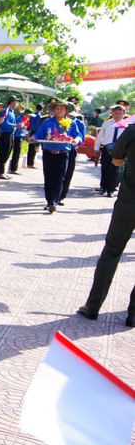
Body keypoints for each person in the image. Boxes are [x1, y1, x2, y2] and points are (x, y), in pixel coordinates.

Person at [77, 123, 135, 327]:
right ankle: (133, 314)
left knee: (112, 251)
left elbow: (116, 160)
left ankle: (93, 307)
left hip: (129, 203)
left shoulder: (132, 130)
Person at [30, 99, 83, 213]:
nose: (59, 111)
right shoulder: (47, 122)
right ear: (53, 110)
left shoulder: (71, 123)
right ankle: (49, 202)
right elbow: (39, 133)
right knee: (48, 178)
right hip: (48, 153)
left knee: (59, 179)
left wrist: (75, 140)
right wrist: (34, 137)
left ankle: (54, 202)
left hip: (63, 154)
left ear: (66, 111)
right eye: (57, 108)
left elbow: (78, 136)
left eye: (62, 109)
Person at [93, 104, 126, 197]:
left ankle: (110, 190)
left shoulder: (126, 125)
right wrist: (96, 148)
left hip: (119, 150)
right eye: (116, 113)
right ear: (112, 113)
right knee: (105, 168)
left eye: (120, 114)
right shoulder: (106, 123)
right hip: (107, 148)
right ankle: (103, 186)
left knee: (116, 170)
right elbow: (100, 136)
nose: (118, 116)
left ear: (123, 115)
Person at [0, 95, 19, 179]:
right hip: (6, 134)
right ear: (12, 102)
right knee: (3, 153)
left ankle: (3, 171)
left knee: (8, 153)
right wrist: (15, 125)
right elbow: (4, 123)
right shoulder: (6, 111)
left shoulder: (12, 112)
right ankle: (0, 172)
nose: (17, 104)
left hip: (11, 134)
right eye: (16, 102)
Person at [25, 103, 43, 168]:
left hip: (31, 131)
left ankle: (29, 163)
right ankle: (31, 164)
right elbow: (37, 125)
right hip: (36, 132)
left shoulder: (33, 115)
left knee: (31, 148)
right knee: (34, 148)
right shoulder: (39, 116)